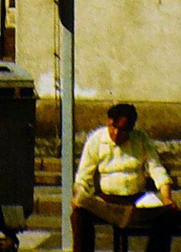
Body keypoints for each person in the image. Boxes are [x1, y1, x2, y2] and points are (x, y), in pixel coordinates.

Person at [71, 102, 175, 252]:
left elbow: (156, 168)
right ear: (108, 121)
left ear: (131, 129)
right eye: (113, 127)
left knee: (166, 216)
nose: (116, 134)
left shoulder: (141, 139)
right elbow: (83, 177)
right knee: (78, 215)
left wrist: (166, 197)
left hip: (137, 199)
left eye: (122, 130)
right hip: (107, 200)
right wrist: (79, 196)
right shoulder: (96, 140)